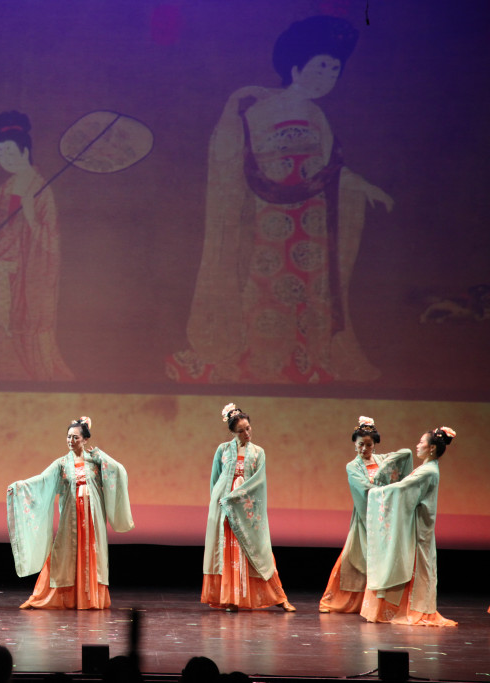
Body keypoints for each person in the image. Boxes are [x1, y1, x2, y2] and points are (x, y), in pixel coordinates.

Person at [168, 16, 392, 384]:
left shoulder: (317, 114)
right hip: (269, 217)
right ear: (295, 66)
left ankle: (304, 360)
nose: (327, 75)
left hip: (315, 221)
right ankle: (258, 360)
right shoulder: (259, 110)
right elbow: (238, 161)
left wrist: (362, 186)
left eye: (334, 69)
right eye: (320, 65)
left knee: (309, 289)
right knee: (267, 285)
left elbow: (328, 167)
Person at [0, 110, 74, 381]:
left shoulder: (42, 189)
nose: (5, 158)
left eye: (10, 152)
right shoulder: (7, 186)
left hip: (22, 272)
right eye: (1, 153)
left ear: (25, 151)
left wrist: (30, 216)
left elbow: (51, 242)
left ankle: (19, 372)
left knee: (12, 322)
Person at [7, 416, 133, 609]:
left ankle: (90, 598)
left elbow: (119, 471)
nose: (70, 441)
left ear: (85, 440)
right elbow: (42, 480)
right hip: (71, 517)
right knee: (63, 552)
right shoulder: (62, 463)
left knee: (92, 553)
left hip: (92, 517)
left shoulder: (95, 461)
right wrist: (19, 486)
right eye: (68, 437)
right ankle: (54, 596)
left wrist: (102, 456)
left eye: (75, 437)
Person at [202, 404, 295, 611]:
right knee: (228, 551)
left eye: (248, 428)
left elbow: (258, 481)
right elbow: (215, 479)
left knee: (259, 550)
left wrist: (238, 497)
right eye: (241, 431)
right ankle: (231, 599)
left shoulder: (258, 452)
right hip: (224, 506)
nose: (246, 433)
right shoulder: (223, 450)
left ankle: (279, 597)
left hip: (246, 506)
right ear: (233, 432)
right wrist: (218, 503)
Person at [361, 427, 457, 626]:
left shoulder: (427, 471)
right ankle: (396, 609)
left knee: (413, 567)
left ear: (431, 448)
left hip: (418, 530)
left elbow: (402, 489)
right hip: (416, 526)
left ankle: (412, 610)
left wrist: (375, 492)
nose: (417, 445)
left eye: (421, 442)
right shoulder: (427, 468)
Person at [319, 416, 411, 613]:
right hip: (366, 515)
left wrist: (388, 465)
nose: (364, 449)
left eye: (368, 445)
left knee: (381, 558)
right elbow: (365, 489)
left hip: (385, 516)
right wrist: (383, 486)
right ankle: (333, 600)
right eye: (360, 444)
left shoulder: (382, 460)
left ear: (374, 444)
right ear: (355, 444)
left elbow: (406, 453)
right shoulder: (353, 466)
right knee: (354, 555)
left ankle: (376, 602)